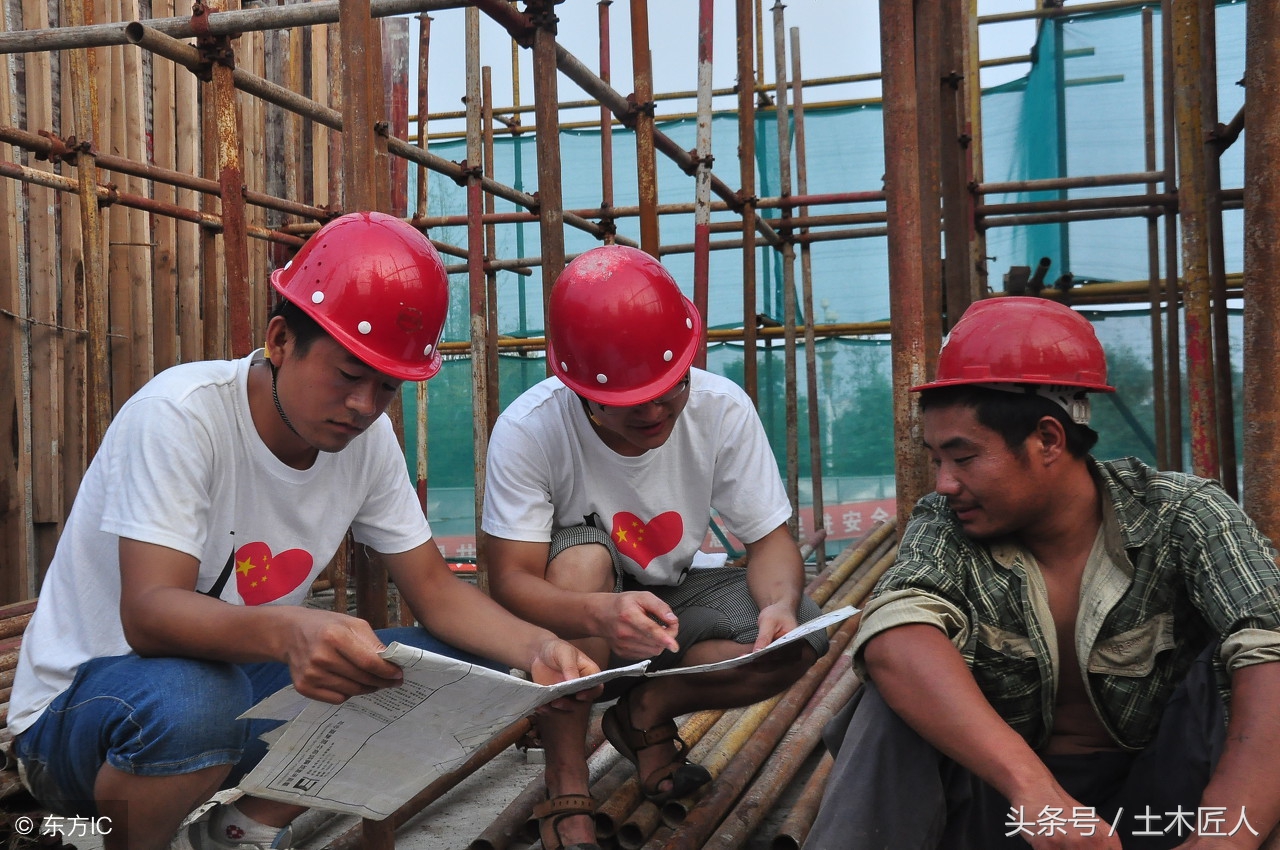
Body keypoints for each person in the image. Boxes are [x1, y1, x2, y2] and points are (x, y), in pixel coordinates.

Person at [7, 212, 600, 850]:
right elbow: (149, 614)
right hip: (86, 718)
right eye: (349, 376)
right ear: (281, 340)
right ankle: (106, 839)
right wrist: (292, 629)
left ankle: (239, 828)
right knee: (198, 697)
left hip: (223, 699)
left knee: (466, 666)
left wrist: (538, 649)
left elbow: (433, 587)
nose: (366, 406)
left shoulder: (367, 441)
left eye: (389, 387)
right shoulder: (180, 415)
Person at [804, 296, 1280, 850]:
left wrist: (1223, 840)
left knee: (1246, 669)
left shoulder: (1183, 513)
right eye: (936, 460)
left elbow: (1268, 642)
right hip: (1011, 809)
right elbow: (895, 633)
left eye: (963, 458)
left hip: (1170, 806)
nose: (944, 483)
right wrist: (1036, 792)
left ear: (1049, 440)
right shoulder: (946, 523)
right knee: (894, 693)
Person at [481, 244, 828, 850]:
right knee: (583, 558)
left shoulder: (721, 409)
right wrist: (599, 614)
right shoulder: (531, 428)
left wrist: (779, 604)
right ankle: (567, 776)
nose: (657, 408)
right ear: (577, 385)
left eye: (671, 386)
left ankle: (647, 707)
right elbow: (510, 579)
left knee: (800, 635)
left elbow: (770, 541)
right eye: (629, 400)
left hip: (671, 596)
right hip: (572, 618)